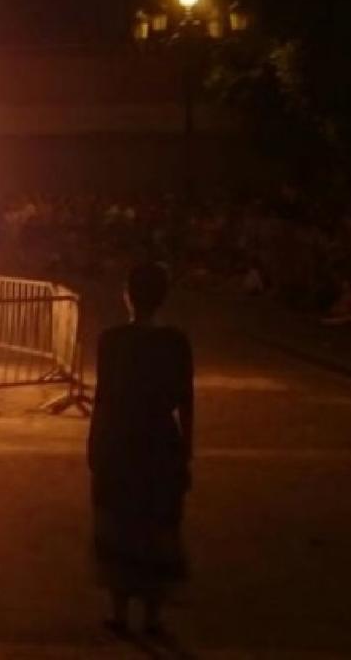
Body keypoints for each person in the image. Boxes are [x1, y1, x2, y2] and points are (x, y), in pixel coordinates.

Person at [88, 262, 194, 640]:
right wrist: (186, 453)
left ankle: (119, 611)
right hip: (161, 441)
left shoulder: (111, 340)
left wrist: (94, 445)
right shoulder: (177, 343)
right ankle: (152, 615)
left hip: (120, 440)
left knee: (119, 524)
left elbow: (103, 399)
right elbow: (186, 402)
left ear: (128, 295)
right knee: (157, 526)